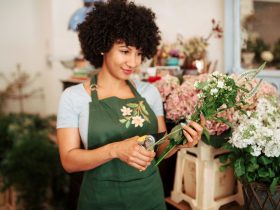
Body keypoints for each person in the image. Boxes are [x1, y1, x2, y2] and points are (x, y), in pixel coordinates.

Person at [56, 0, 204, 209]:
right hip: (100, 201)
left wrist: (179, 141)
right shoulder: (74, 97)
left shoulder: (148, 92)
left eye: (139, 53)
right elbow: (69, 161)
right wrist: (115, 150)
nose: (133, 62)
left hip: (148, 198)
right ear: (102, 46)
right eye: (125, 51)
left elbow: (160, 149)